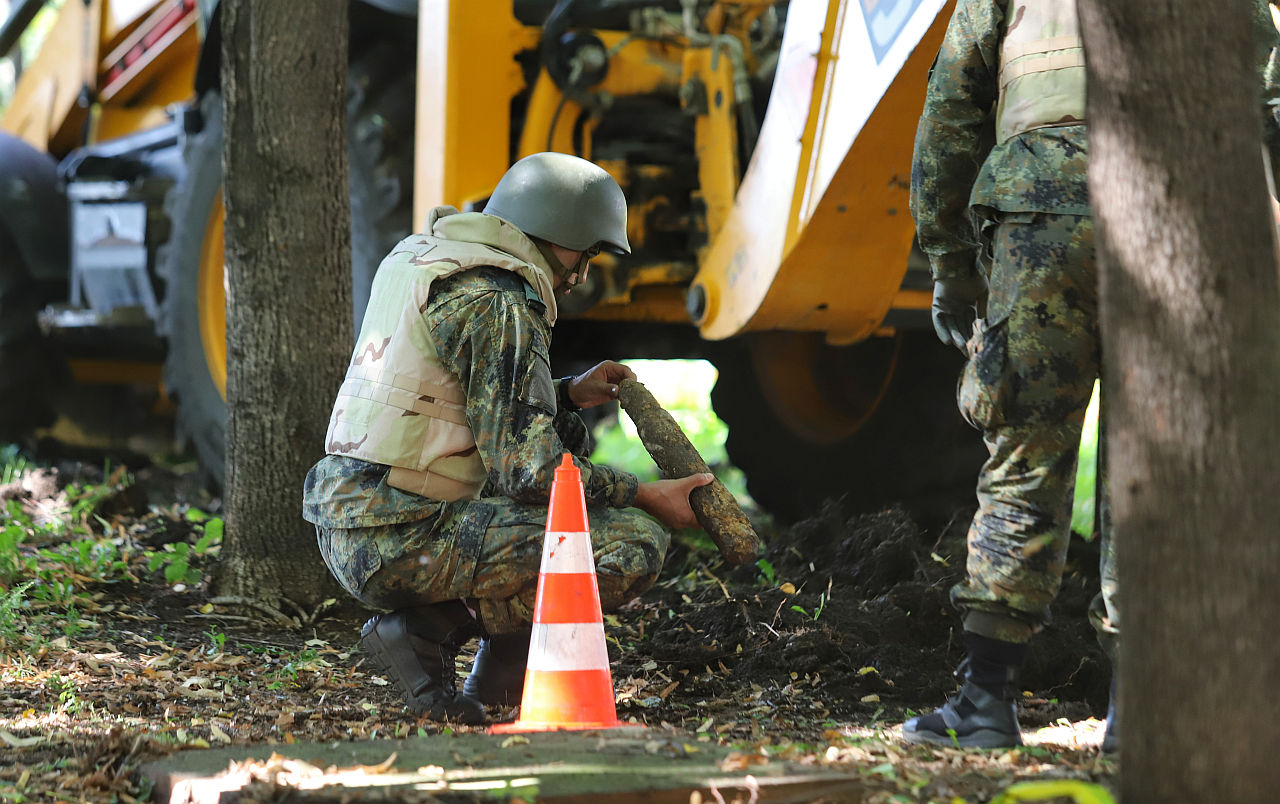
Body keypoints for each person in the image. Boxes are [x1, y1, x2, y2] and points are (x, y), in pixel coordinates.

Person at [902, 0, 1280, 750]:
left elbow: (950, 106)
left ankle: (985, 704)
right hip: (1180, 209)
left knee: (1025, 448)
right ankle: (1141, 714)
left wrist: (948, 263)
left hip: (1043, 209)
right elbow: (1267, 102)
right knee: (1160, 461)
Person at [302, 152, 713, 724]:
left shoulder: (429, 259)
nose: (583, 274)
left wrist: (567, 395)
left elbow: (458, 405)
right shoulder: (500, 301)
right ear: (553, 232)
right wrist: (647, 494)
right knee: (630, 542)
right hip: (396, 535)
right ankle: (418, 633)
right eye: (585, 253)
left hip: (364, 519)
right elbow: (534, 473)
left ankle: (504, 673)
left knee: (558, 481)